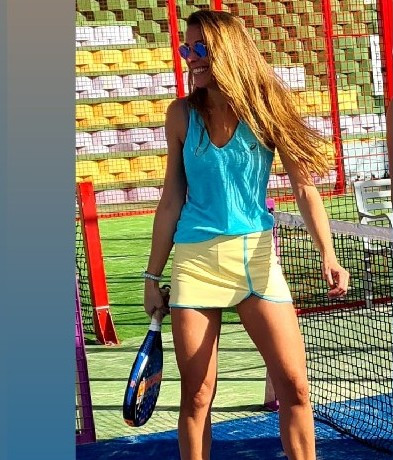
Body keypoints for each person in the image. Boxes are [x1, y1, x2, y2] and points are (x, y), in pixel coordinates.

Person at [143, 10, 350, 460]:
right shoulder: (179, 114)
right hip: (195, 264)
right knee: (197, 396)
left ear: (229, 50)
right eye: (186, 48)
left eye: (201, 48)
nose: (191, 57)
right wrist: (151, 277)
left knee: (295, 387)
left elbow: (304, 188)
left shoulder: (267, 105)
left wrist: (329, 254)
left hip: (257, 261)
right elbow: (170, 200)